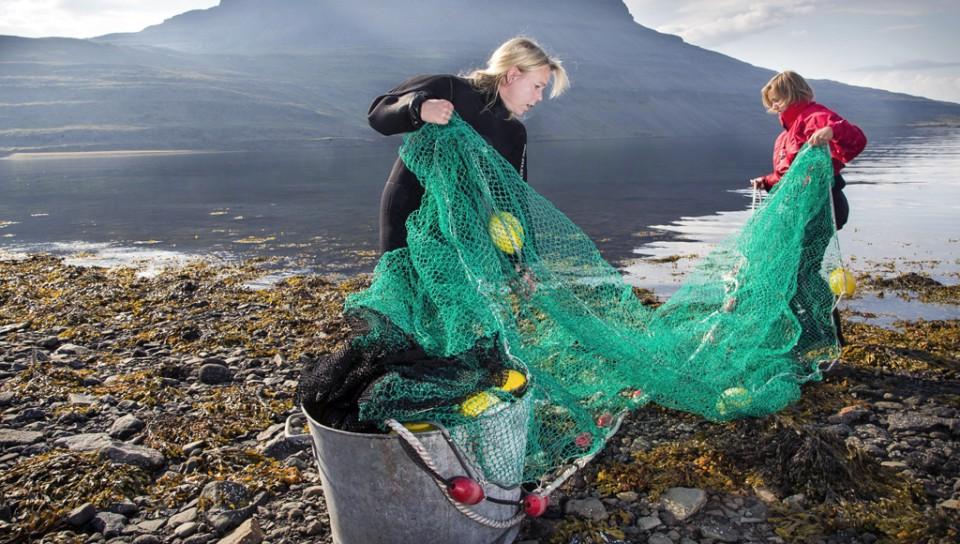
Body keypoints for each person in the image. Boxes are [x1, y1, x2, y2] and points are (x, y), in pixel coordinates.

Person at [368, 36, 569, 253]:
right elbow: (378, 114)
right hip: (407, 209)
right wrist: (419, 107)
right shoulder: (451, 89)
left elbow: (513, 204)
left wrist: (523, 261)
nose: (539, 97)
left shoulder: (514, 134)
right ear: (512, 75)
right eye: (537, 86)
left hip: (460, 224)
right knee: (403, 281)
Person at [750, 70, 867, 348]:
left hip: (821, 209)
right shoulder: (784, 137)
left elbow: (856, 139)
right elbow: (787, 176)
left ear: (793, 94)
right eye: (771, 102)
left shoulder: (814, 116)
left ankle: (827, 334)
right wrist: (765, 182)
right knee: (791, 272)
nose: (775, 106)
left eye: (778, 99)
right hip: (796, 213)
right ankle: (810, 331)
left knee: (803, 272)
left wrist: (831, 131)